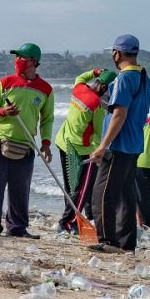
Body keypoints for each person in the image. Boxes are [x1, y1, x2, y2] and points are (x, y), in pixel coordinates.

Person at [88, 34, 150, 253]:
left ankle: (108, 240)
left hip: (118, 145)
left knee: (103, 193)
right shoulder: (144, 78)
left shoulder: (125, 78)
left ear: (117, 53)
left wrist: (102, 145)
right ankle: (127, 244)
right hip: (134, 143)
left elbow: (119, 114)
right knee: (127, 195)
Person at [0, 43, 54, 239]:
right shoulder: (5, 82)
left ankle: (17, 227)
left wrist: (46, 143)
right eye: (17, 57)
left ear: (33, 61)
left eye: (21, 57)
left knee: (20, 188)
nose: (17, 61)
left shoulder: (45, 89)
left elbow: (47, 119)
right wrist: (3, 112)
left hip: (26, 143)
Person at [52, 68, 115, 232]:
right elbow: (98, 133)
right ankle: (67, 223)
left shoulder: (79, 88)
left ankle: (69, 220)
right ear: (105, 88)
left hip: (64, 142)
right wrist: (99, 153)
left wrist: (94, 71)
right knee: (82, 189)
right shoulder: (97, 105)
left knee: (71, 187)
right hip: (82, 150)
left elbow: (80, 76)